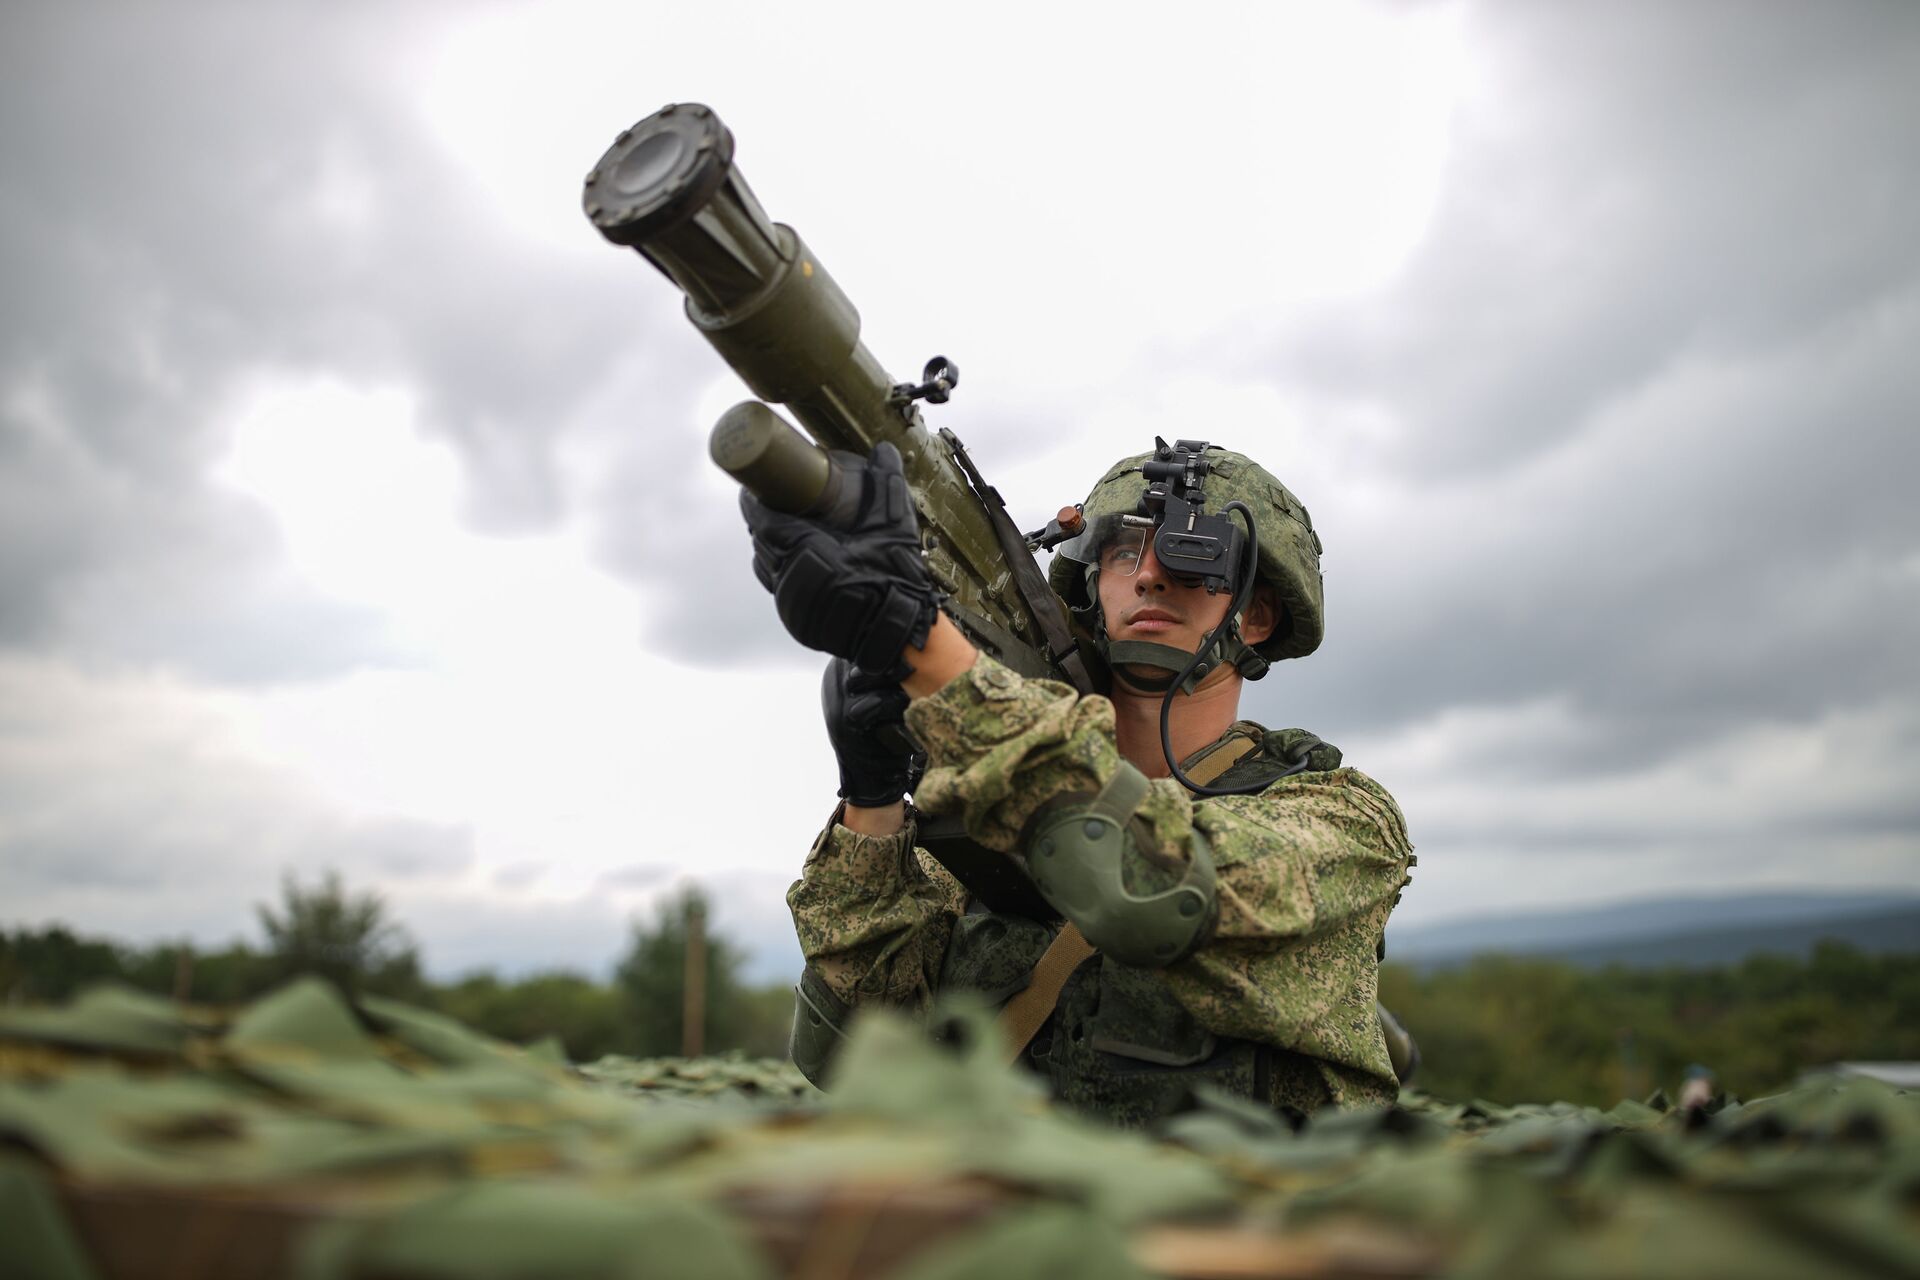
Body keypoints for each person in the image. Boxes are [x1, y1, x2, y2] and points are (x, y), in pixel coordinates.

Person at [742, 438, 1415, 1126]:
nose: (1150, 575)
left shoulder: (1341, 819)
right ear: (1090, 586)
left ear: (1259, 614)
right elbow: (848, 1059)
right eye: (1124, 553)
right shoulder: (991, 813)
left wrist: (926, 648)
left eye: (1193, 551)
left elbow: (1152, 893)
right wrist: (874, 794)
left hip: (1243, 1222)